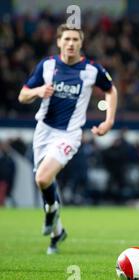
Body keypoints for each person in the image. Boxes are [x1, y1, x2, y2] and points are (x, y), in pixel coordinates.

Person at [18, 24, 118, 254]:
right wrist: (37, 91)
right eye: (67, 39)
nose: (71, 43)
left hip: (69, 134)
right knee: (46, 181)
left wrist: (109, 120)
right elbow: (22, 95)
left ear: (81, 43)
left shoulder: (92, 70)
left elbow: (111, 90)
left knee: (43, 179)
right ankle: (57, 233)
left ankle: (51, 212)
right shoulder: (47, 65)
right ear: (59, 42)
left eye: (75, 39)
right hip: (43, 131)